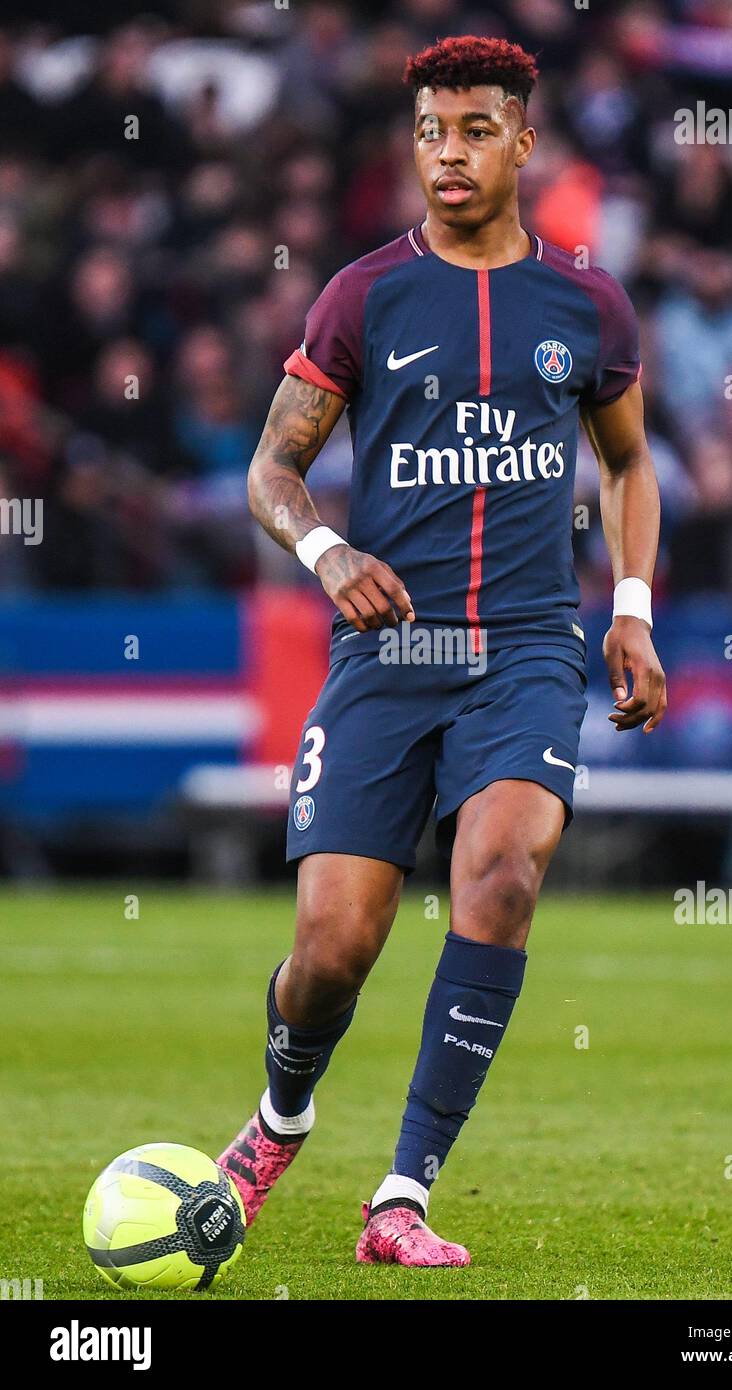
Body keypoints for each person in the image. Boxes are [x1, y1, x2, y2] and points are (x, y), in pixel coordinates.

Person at [217, 35, 666, 1268]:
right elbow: (272, 470)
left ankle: (401, 1193)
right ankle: (276, 1122)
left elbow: (628, 463)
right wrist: (325, 557)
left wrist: (627, 604)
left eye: (474, 129)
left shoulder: (587, 302)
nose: (448, 153)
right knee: (332, 948)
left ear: (523, 140)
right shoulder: (363, 294)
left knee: (504, 869)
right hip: (387, 652)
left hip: (525, 645)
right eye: (429, 131)